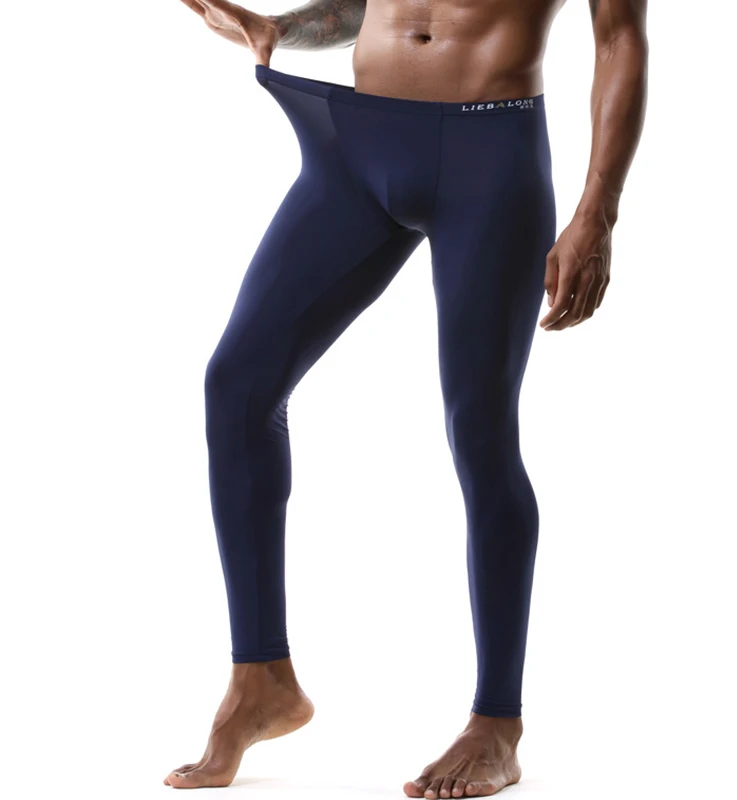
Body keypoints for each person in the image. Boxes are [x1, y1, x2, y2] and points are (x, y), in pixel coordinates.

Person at [165, 0, 648, 796]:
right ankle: (261, 678)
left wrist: (597, 212)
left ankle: (497, 724)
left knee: (480, 428)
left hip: (488, 152)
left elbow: (620, 34)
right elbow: (362, 7)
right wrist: (283, 30)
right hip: (355, 150)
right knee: (238, 385)